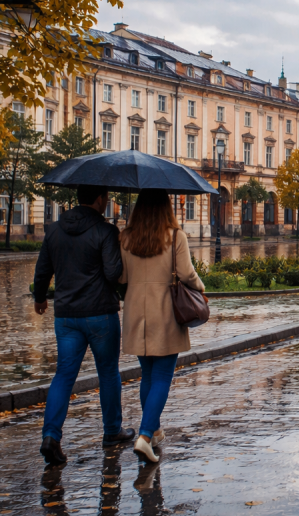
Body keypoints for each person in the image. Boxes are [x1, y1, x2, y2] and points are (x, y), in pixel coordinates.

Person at [33, 185, 135, 466]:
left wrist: (40, 298)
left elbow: (42, 270)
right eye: (106, 198)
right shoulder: (105, 231)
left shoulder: (54, 229)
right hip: (100, 314)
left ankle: (51, 436)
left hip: (66, 317)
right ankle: (112, 431)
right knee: (108, 374)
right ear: (100, 199)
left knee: (64, 375)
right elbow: (113, 273)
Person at [119, 189, 205, 463]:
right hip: (165, 313)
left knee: (148, 375)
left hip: (136, 313)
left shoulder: (127, 237)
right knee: (162, 377)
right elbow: (186, 274)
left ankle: (154, 430)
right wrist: (201, 288)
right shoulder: (175, 236)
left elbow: (121, 277)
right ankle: (144, 436)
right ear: (166, 207)